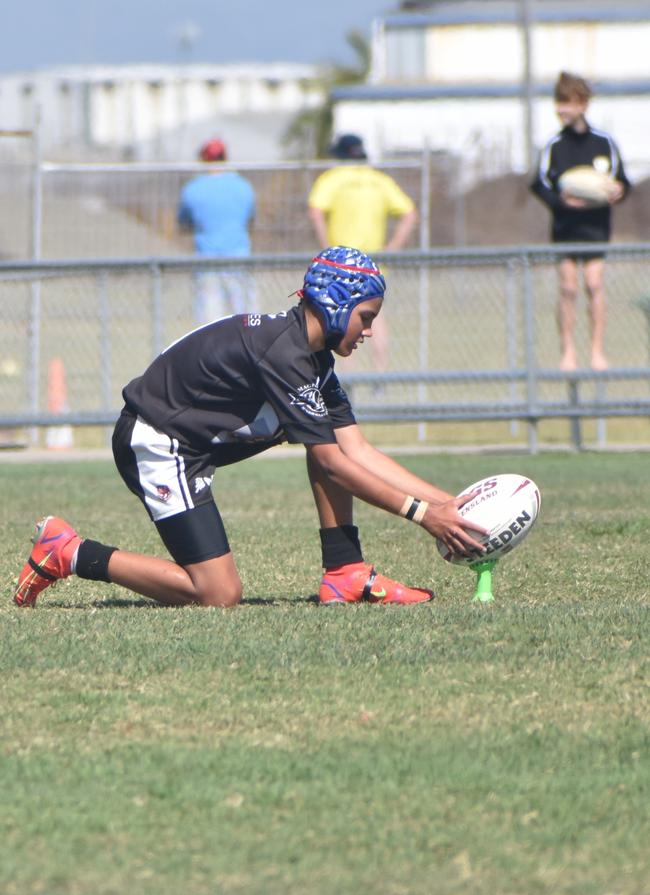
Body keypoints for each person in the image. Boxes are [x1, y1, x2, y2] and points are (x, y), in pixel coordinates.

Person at [13, 246, 487, 611]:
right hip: (157, 441)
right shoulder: (284, 354)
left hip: (188, 444)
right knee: (218, 595)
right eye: (366, 317)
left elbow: (355, 450)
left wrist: (449, 507)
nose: (367, 331)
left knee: (327, 446)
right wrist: (425, 516)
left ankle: (345, 571)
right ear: (337, 305)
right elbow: (333, 463)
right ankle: (71, 551)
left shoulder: (314, 362)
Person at [530, 72, 631, 371]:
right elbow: (537, 184)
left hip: (596, 225)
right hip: (565, 227)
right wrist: (560, 202)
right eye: (558, 102)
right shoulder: (554, 145)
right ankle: (568, 353)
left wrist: (617, 193)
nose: (561, 109)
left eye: (566, 102)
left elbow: (622, 182)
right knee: (568, 288)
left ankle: (597, 352)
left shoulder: (604, 143)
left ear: (582, 104)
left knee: (594, 283)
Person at [307, 135, 418, 373]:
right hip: (373, 264)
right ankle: (380, 375)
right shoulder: (378, 180)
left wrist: (327, 248)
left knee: (342, 319)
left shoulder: (333, 178)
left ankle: (348, 378)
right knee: (375, 317)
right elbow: (409, 213)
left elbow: (315, 210)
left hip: (341, 263)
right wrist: (392, 248)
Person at [177, 137, 256, 325]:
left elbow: (183, 222)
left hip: (207, 259)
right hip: (238, 256)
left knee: (209, 318)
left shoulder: (192, 189)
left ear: (204, 159)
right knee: (245, 316)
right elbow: (250, 219)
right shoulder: (243, 186)